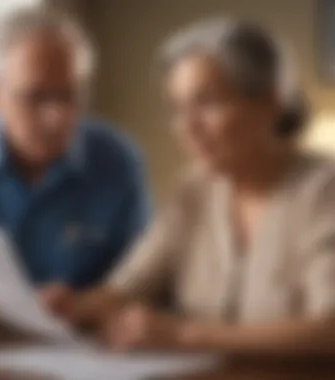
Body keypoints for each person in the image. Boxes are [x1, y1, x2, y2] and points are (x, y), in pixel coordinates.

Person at [69, 18, 335, 356]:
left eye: (207, 103)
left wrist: (185, 335)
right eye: (178, 109)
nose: (187, 127)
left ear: (271, 101)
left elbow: (330, 330)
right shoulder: (193, 189)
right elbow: (128, 287)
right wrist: (68, 307)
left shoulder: (324, 192)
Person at [0, 6, 149, 337]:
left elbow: (139, 283)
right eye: (36, 97)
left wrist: (85, 304)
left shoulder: (116, 160)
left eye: (70, 95)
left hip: (75, 350)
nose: (58, 117)